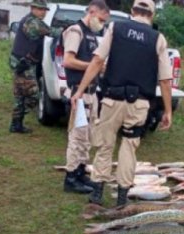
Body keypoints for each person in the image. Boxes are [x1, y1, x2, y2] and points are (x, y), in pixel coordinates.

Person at [70, 0, 173, 206]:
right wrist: (168, 111)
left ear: (132, 11)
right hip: (139, 105)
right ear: (151, 16)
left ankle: (97, 194)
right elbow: (164, 80)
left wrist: (80, 90)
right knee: (129, 148)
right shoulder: (158, 38)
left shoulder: (115, 28)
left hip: (112, 101)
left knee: (105, 145)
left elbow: (98, 61)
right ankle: (122, 197)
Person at [61, 0, 110, 193]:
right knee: (77, 137)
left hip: (91, 93)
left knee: (88, 136)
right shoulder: (76, 31)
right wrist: (94, 67)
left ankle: (81, 173)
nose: (103, 24)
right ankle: (71, 177)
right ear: (91, 12)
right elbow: (68, 60)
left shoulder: (91, 34)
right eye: (101, 19)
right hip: (78, 92)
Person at [9, 0, 61, 134]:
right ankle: (17, 122)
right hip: (24, 64)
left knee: (20, 95)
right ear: (33, 8)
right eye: (40, 9)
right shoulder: (32, 23)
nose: (43, 12)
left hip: (22, 62)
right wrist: (68, 30)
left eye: (44, 10)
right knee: (33, 95)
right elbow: (53, 32)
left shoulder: (32, 20)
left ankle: (16, 124)